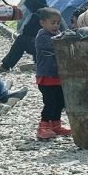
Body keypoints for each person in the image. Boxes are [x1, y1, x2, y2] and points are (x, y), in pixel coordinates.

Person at [35, 8, 71, 140]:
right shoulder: (42, 37)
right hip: (46, 77)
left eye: (58, 23)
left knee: (60, 102)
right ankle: (43, 126)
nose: (56, 26)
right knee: (50, 102)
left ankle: (56, 125)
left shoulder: (58, 35)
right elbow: (56, 44)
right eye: (52, 23)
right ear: (42, 23)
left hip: (57, 77)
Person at [0, 0, 47, 72]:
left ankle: (6, 66)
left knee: (21, 40)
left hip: (46, 47)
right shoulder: (50, 11)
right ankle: (38, 63)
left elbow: (27, 31)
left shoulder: (39, 14)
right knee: (36, 38)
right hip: (53, 46)